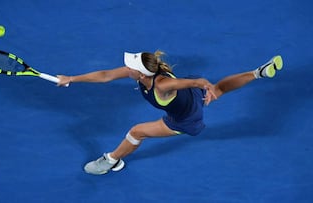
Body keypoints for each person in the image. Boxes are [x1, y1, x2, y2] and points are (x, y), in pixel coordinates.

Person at [57, 51, 283, 175]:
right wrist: (71, 78)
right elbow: (105, 75)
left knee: (137, 132)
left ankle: (112, 161)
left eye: (131, 67)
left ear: (141, 74)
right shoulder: (143, 74)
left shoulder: (161, 85)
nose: (127, 68)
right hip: (191, 99)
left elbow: (192, 81)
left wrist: (201, 82)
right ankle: (258, 73)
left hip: (184, 119)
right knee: (219, 89)